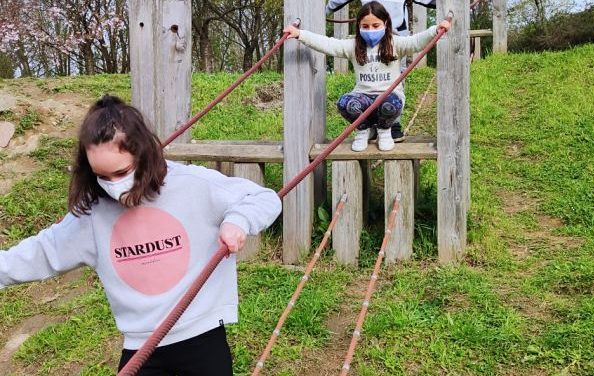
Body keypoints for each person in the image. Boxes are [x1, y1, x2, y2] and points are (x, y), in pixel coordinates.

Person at [0, 95, 282, 375]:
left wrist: (237, 220)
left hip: (202, 334)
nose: (114, 186)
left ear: (143, 154)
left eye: (121, 172)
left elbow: (263, 198)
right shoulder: (92, 214)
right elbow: (42, 252)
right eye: (103, 176)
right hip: (142, 346)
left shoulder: (192, 184)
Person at [285, 1, 450, 151]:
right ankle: (364, 129)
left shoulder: (395, 43)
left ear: (385, 24)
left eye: (375, 25)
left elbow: (416, 41)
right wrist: (300, 34)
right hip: (363, 97)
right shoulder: (353, 46)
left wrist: (435, 29)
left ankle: (385, 130)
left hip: (388, 97)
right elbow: (328, 44)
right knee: (345, 103)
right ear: (359, 26)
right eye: (366, 26)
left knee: (389, 103)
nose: (371, 30)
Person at [325, 0, 437, 142]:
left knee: (395, 81)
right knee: (370, 82)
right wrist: (324, 10)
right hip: (369, 38)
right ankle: (370, 124)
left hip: (395, 37)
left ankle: (393, 124)